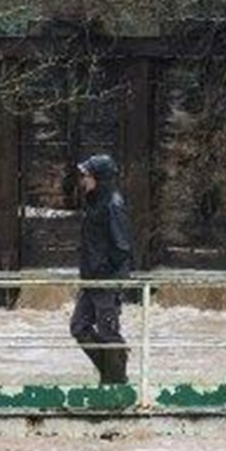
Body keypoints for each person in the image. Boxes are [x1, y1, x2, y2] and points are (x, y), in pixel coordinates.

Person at [70, 154, 134, 384]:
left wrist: (104, 272)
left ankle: (116, 382)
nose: (83, 180)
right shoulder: (94, 202)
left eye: (87, 175)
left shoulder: (112, 205)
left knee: (108, 333)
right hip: (91, 280)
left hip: (106, 281)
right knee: (79, 327)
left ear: (99, 177)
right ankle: (111, 370)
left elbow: (122, 246)